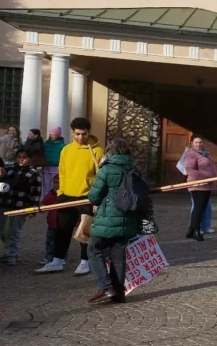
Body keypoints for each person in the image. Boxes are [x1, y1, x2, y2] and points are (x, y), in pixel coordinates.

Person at [37, 118, 102, 275]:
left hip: (87, 196)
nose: (80, 137)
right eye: (77, 134)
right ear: (72, 132)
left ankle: (85, 261)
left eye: (84, 134)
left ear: (88, 132)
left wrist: (96, 197)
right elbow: (62, 172)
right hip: (66, 195)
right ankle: (57, 260)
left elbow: (101, 176)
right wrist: (61, 193)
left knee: (85, 231)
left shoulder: (97, 150)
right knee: (62, 229)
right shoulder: (66, 150)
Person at [86, 138, 142, 305]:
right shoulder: (135, 170)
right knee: (118, 254)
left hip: (107, 217)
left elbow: (94, 196)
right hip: (129, 217)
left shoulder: (106, 169)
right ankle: (118, 294)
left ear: (110, 151)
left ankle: (106, 287)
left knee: (94, 249)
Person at [0, 147, 42, 265]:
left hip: (20, 206)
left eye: (24, 158)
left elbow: (36, 193)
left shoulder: (34, 174)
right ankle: (9, 251)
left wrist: (33, 209)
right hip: (4, 204)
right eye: (18, 157)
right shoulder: (9, 169)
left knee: (14, 231)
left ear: (30, 159)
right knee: (2, 230)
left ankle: (12, 256)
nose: (21, 160)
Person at [184, 136, 217, 242]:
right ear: (192, 143)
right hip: (197, 185)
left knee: (202, 208)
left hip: (206, 185)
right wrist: (204, 177)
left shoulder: (204, 153)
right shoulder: (191, 154)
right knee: (198, 208)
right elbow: (190, 169)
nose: (198, 144)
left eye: (200, 142)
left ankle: (190, 230)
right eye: (196, 142)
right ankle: (196, 231)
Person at [39, 176, 59, 266]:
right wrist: (52, 193)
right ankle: (49, 257)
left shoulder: (66, 195)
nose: (56, 185)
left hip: (61, 223)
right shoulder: (52, 194)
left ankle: (60, 257)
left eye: (58, 183)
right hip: (52, 223)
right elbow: (45, 201)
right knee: (50, 241)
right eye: (55, 183)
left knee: (60, 242)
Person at [42, 127, 65, 197]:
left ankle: (54, 197)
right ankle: (46, 198)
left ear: (58, 135)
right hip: (46, 166)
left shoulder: (62, 145)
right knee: (46, 184)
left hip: (56, 167)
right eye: (50, 134)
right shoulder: (45, 144)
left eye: (53, 134)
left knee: (54, 183)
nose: (52, 136)